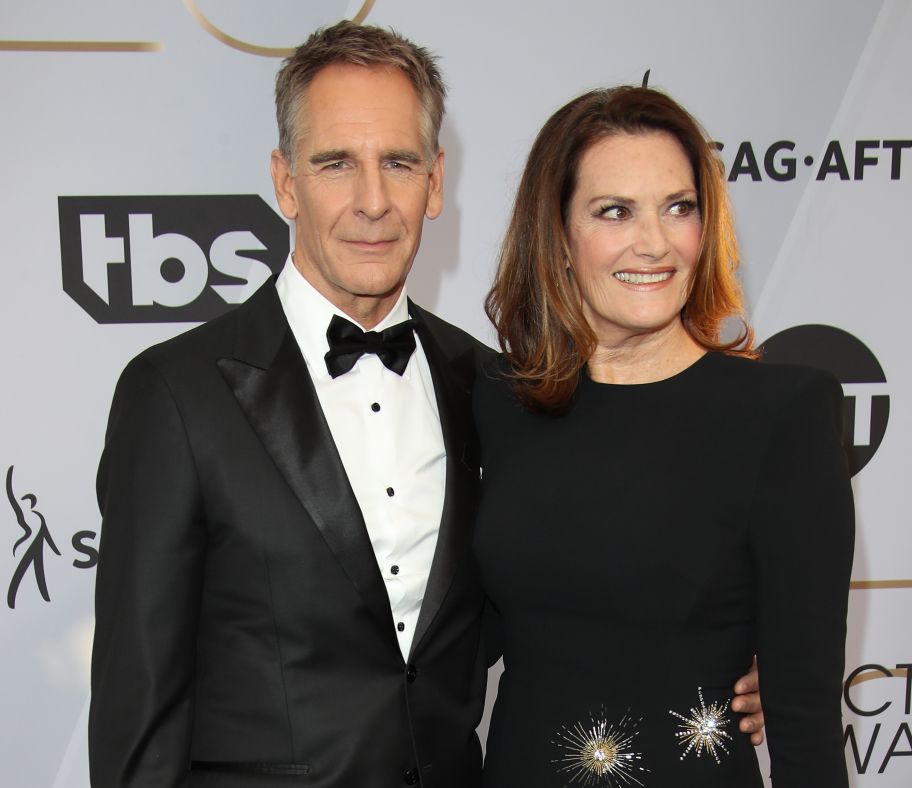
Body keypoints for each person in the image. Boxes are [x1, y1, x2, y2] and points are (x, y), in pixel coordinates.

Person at [88, 21, 765, 788]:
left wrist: (730, 658)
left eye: (399, 163)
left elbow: (565, 599)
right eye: (337, 163)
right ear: (285, 181)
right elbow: (136, 711)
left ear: (436, 182)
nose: (373, 201)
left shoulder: (497, 391)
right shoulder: (177, 393)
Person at [475, 85, 855, 786]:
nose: (654, 242)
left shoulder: (781, 415)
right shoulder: (498, 404)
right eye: (614, 211)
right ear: (557, 235)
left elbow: (805, 726)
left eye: (678, 207)